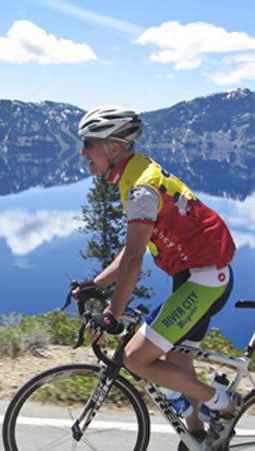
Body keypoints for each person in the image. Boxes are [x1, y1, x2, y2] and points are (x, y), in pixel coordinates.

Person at [73, 105, 242, 450]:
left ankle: (223, 404)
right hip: (195, 274)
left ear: (114, 148)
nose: (83, 151)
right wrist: (97, 283)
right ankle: (199, 436)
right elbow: (132, 251)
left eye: (90, 143)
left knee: (136, 358)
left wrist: (112, 316)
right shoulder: (136, 174)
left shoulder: (140, 190)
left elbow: (135, 260)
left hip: (205, 278)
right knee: (178, 362)